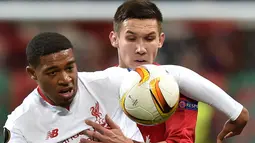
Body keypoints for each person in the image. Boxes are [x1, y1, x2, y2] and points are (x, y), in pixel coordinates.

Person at [80, 0, 249, 143]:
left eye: (149, 38)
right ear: (114, 39)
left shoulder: (175, 89)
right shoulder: (93, 87)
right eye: (131, 38)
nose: (140, 49)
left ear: (160, 41)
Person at [3, 32, 144, 143]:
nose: (65, 79)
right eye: (53, 72)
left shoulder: (110, 83)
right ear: (33, 73)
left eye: (69, 68)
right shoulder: (20, 125)